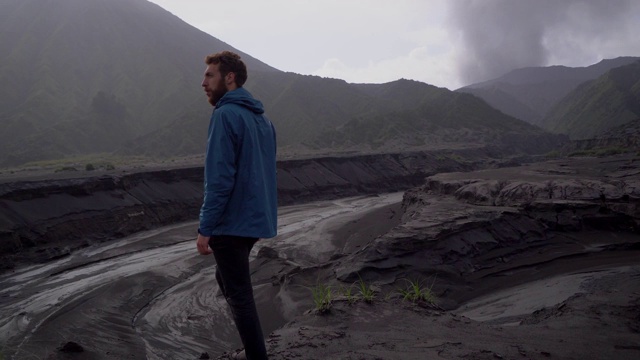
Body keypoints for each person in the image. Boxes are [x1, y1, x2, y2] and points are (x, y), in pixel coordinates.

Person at [196, 50, 277, 360]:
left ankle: (256, 356)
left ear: (229, 78)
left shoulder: (225, 115)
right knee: (227, 279)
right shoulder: (262, 118)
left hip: (231, 221)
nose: (203, 82)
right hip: (254, 220)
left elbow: (219, 179)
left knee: (240, 295)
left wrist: (206, 228)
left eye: (209, 75)